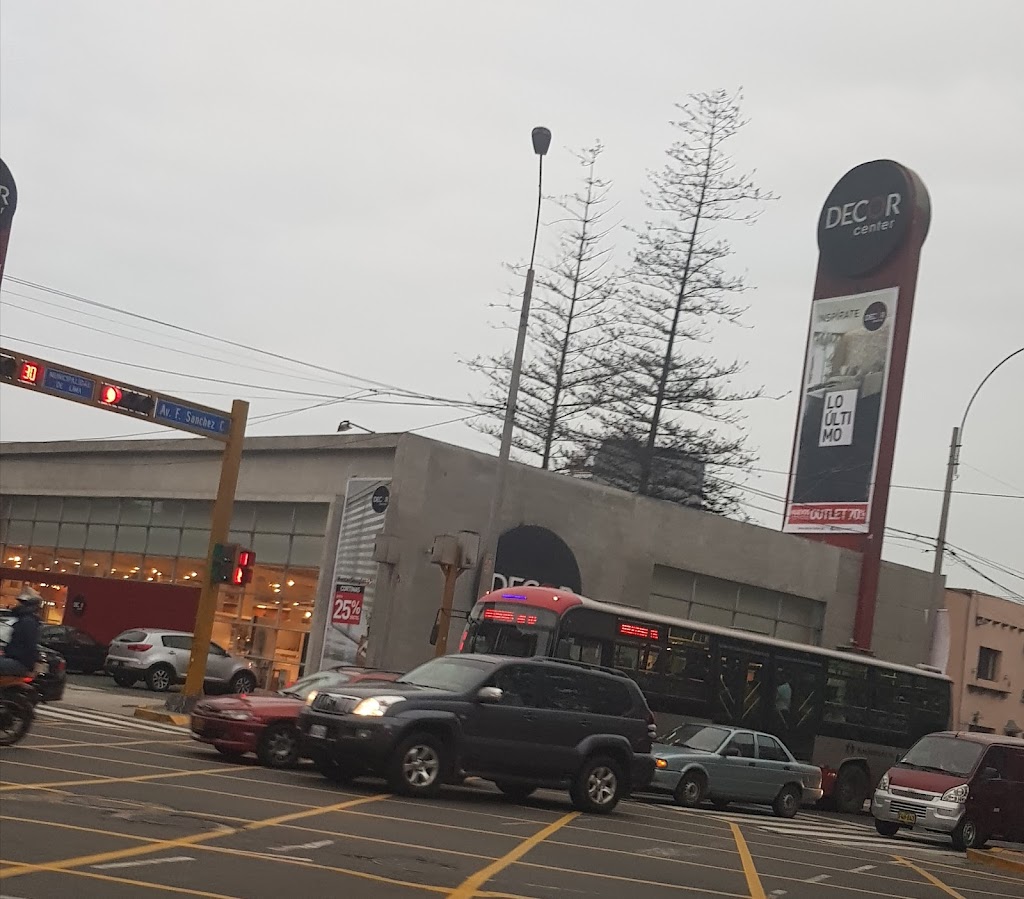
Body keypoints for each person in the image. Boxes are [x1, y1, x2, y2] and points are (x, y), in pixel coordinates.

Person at [0, 588, 43, 677]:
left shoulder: (27, 621)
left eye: (21, 602)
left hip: (19, 663)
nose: (17, 604)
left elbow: (30, 646)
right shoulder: (24, 619)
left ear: (27, 605)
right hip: (15, 660)